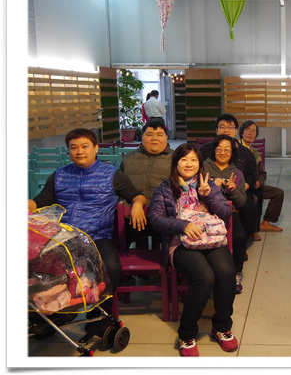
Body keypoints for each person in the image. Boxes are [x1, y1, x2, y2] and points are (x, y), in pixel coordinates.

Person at [28, 128, 147, 318]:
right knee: (40, 270)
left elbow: (137, 195)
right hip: (64, 237)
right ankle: (54, 317)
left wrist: (137, 204)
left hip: (97, 236)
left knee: (112, 268)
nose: (79, 151)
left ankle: (99, 318)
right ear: (68, 150)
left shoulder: (112, 175)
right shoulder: (59, 175)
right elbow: (41, 201)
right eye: (74, 147)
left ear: (96, 148)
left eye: (85, 146)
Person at [149, 143, 237, 357]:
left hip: (211, 239)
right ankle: (187, 334)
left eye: (193, 160)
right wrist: (182, 225)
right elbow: (156, 219)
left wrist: (208, 196)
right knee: (204, 277)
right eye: (183, 159)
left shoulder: (207, 184)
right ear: (175, 163)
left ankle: (222, 327)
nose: (189, 164)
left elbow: (226, 214)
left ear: (200, 164)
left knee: (226, 273)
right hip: (180, 243)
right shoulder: (165, 188)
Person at [199, 114, 260, 242]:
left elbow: (253, 175)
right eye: (222, 127)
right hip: (207, 195)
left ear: (236, 131)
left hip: (239, 188)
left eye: (230, 127)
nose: (226, 130)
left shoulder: (246, 153)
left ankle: (245, 236)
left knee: (248, 206)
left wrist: (239, 186)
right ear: (216, 130)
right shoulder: (205, 151)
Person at [203, 135, 248, 294]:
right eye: (219, 149)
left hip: (228, 213)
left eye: (227, 150)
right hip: (204, 212)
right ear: (214, 150)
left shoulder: (237, 173)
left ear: (232, 153)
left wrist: (232, 191)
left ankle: (235, 273)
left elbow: (241, 201)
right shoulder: (203, 167)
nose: (223, 153)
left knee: (240, 237)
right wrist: (211, 186)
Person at [120, 120, 173, 248]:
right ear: (141, 137)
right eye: (149, 134)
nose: (154, 138)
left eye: (159, 135)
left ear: (166, 137)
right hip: (131, 216)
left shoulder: (176, 158)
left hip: (165, 217)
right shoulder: (128, 158)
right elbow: (120, 187)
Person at [238, 120, 284, 232]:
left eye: (253, 131)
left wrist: (259, 181)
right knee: (254, 199)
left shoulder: (254, 152)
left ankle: (265, 222)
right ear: (241, 133)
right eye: (248, 130)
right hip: (241, 186)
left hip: (254, 186)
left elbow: (262, 173)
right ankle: (251, 229)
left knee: (278, 193)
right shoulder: (236, 148)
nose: (250, 133)